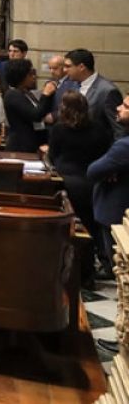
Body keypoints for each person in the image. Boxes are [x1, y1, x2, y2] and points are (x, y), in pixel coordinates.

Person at [49, 90, 114, 285]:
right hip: (92, 183)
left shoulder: (59, 129)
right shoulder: (99, 129)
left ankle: (67, 271)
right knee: (89, 230)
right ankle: (87, 273)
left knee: (69, 229)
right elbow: (106, 154)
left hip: (67, 182)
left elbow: (53, 155)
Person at [89, 95, 129, 280]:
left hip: (116, 209)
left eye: (126, 106)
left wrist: (110, 170)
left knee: (121, 272)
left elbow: (93, 170)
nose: (119, 108)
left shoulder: (124, 146)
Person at [66, 48, 124, 138]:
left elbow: (118, 129)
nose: (65, 70)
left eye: (68, 66)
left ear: (81, 67)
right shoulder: (72, 85)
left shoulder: (107, 91)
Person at [3, 58, 57, 153]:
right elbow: (35, 115)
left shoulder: (27, 93)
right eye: (30, 74)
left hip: (34, 143)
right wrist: (45, 95)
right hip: (21, 145)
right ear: (21, 76)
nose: (34, 77)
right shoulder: (12, 94)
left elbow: (41, 109)